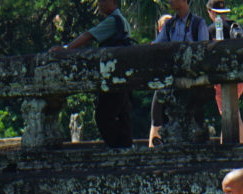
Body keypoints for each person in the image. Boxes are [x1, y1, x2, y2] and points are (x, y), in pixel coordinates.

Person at [49, 0, 134, 148]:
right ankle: (125, 148)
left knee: (103, 116)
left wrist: (67, 48)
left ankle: (118, 148)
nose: (100, 4)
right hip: (123, 74)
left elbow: (89, 35)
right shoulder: (123, 21)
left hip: (113, 75)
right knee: (122, 114)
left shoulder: (113, 21)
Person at [150, 0, 212, 144]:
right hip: (173, 80)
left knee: (194, 120)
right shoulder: (169, 25)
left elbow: (204, 51)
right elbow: (157, 46)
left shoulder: (198, 23)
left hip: (193, 81)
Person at [206, 0, 243, 144]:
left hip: (222, 79)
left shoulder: (211, 30)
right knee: (232, 113)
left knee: (231, 115)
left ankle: (238, 150)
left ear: (211, 12)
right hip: (239, 77)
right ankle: (233, 147)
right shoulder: (236, 27)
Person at [148, 13, 173, 147]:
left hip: (175, 89)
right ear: (159, 29)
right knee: (156, 121)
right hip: (161, 88)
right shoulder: (155, 46)